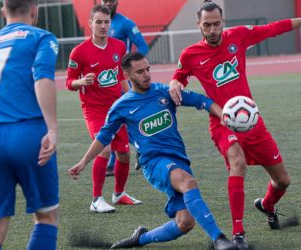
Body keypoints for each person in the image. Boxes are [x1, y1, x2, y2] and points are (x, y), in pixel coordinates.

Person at [169, 1, 301, 249]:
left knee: (283, 181)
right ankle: (238, 234)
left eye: (216, 24)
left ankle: (267, 205)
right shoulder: (190, 54)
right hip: (222, 123)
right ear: (198, 25)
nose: (212, 29)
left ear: (222, 22)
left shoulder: (239, 36)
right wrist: (174, 82)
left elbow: (276, 28)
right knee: (238, 162)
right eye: (207, 25)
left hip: (252, 122)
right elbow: (179, 76)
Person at [68, 52, 237, 250]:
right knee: (188, 182)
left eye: (148, 69)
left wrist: (223, 116)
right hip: (153, 162)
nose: (147, 75)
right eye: (140, 71)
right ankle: (219, 239)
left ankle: (140, 238)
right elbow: (103, 137)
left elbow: (202, 101)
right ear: (127, 75)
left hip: (179, 159)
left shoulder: (164, 92)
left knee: (185, 223)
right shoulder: (121, 106)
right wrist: (83, 162)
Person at [0, 0, 59, 249]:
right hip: (28, 134)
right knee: (46, 216)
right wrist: (52, 129)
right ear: (35, 10)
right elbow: (42, 76)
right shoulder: (41, 37)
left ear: (3, 13)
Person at [66, 5, 141, 213]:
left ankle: (118, 194)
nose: (102, 26)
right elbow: (69, 82)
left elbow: (121, 78)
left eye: (106, 22)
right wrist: (81, 82)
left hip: (116, 108)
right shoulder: (79, 52)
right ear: (90, 24)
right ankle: (96, 199)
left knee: (124, 154)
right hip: (94, 110)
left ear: (111, 24)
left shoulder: (118, 47)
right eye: (98, 22)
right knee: (105, 147)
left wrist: (131, 98)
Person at [101, 0, 149, 176]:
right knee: (113, 118)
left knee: (123, 117)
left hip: (122, 80)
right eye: (104, 0)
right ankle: (139, 149)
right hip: (106, 81)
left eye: (111, 0)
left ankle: (115, 161)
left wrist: (132, 66)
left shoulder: (126, 23)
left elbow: (142, 45)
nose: (108, 3)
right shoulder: (100, 22)